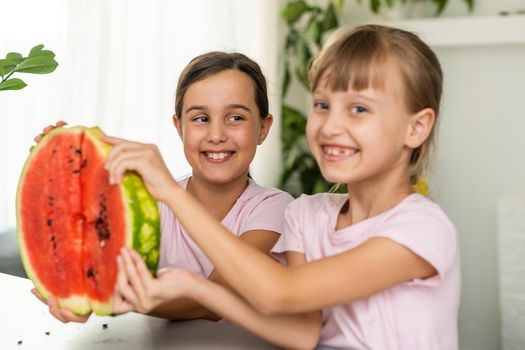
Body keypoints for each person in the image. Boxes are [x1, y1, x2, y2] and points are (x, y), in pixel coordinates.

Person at [110, 24, 460, 349]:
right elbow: (303, 332)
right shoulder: (307, 214)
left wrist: (169, 192)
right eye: (322, 105)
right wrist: (195, 287)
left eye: (357, 108)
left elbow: (281, 293)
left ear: (416, 128)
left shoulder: (423, 228)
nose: (330, 125)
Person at [31, 51, 294, 323]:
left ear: (263, 128)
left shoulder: (276, 208)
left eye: (235, 117)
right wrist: (50, 172)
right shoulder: (152, 204)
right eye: (201, 119)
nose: (217, 135)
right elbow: (86, 243)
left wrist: (106, 296)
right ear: (179, 128)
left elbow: (214, 300)